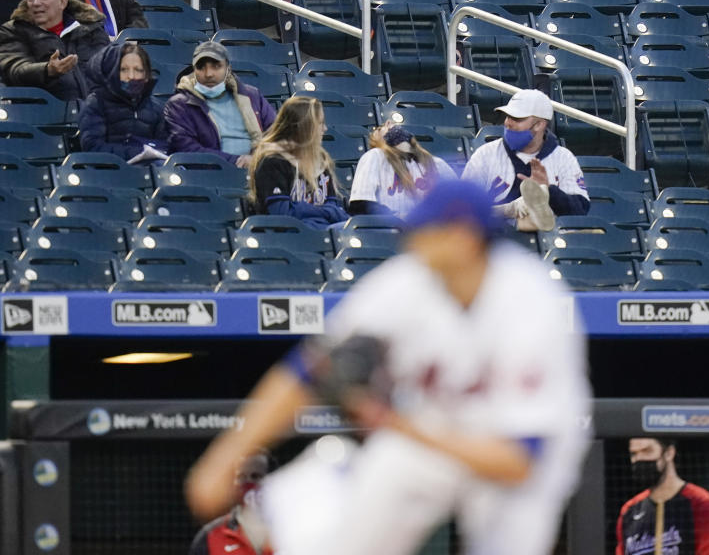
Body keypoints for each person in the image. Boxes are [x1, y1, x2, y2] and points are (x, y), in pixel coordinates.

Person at [184, 179, 592, 555]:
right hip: (427, 429)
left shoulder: (531, 304)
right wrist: (225, 456)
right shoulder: (405, 282)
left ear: (463, 237)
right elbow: (308, 371)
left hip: (519, 456)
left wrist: (396, 425)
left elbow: (516, 461)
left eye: (426, 232)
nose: (412, 242)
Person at [462, 89, 590, 232]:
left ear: (539, 124)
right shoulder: (486, 154)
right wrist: (509, 210)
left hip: (551, 242)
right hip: (495, 242)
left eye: (516, 118)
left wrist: (549, 191)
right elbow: (463, 208)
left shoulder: (563, 158)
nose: (508, 123)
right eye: (507, 116)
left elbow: (580, 211)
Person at [0, 0, 110, 101]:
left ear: (62, 2)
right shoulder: (13, 30)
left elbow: (110, 69)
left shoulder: (92, 29)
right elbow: (14, 70)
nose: (36, 3)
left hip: (95, 112)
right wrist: (47, 70)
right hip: (44, 114)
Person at [164, 40, 276, 167]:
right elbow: (187, 150)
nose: (209, 74)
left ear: (228, 68)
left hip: (259, 170)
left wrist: (259, 160)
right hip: (209, 174)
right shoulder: (179, 104)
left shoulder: (252, 96)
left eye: (216, 66)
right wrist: (237, 161)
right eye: (201, 67)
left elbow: (277, 134)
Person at [616, 437, 709, 555]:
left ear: (669, 453)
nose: (639, 459)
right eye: (634, 454)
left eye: (647, 451)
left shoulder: (701, 503)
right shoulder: (629, 510)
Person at [248, 96, 348, 229]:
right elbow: (281, 214)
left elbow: (335, 209)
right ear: (304, 127)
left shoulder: (321, 161)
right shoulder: (273, 162)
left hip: (324, 231)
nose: (325, 129)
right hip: (288, 237)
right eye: (320, 123)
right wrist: (325, 212)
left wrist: (302, 208)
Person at [78, 41, 168, 162]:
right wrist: (135, 152)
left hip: (151, 172)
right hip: (110, 174)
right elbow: (92, 147)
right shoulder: (95, 103)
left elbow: (166, 146)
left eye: (138, 70)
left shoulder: (157, 108)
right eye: (124, 70)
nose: (131, 76)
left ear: (146, 76)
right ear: (113, 73)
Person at [349, 120, 457, 217]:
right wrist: (397, 217)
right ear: (377, 142)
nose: (388, 122)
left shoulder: (436, 163)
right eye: (380, 128)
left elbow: (460, 204)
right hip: (390, 231)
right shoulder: (376, 156)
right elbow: (359, 205)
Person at [187, 452, 274, 555]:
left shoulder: (291, 529)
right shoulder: (210, 535)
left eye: (255, 476)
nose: (248, 482)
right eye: (241, 476)